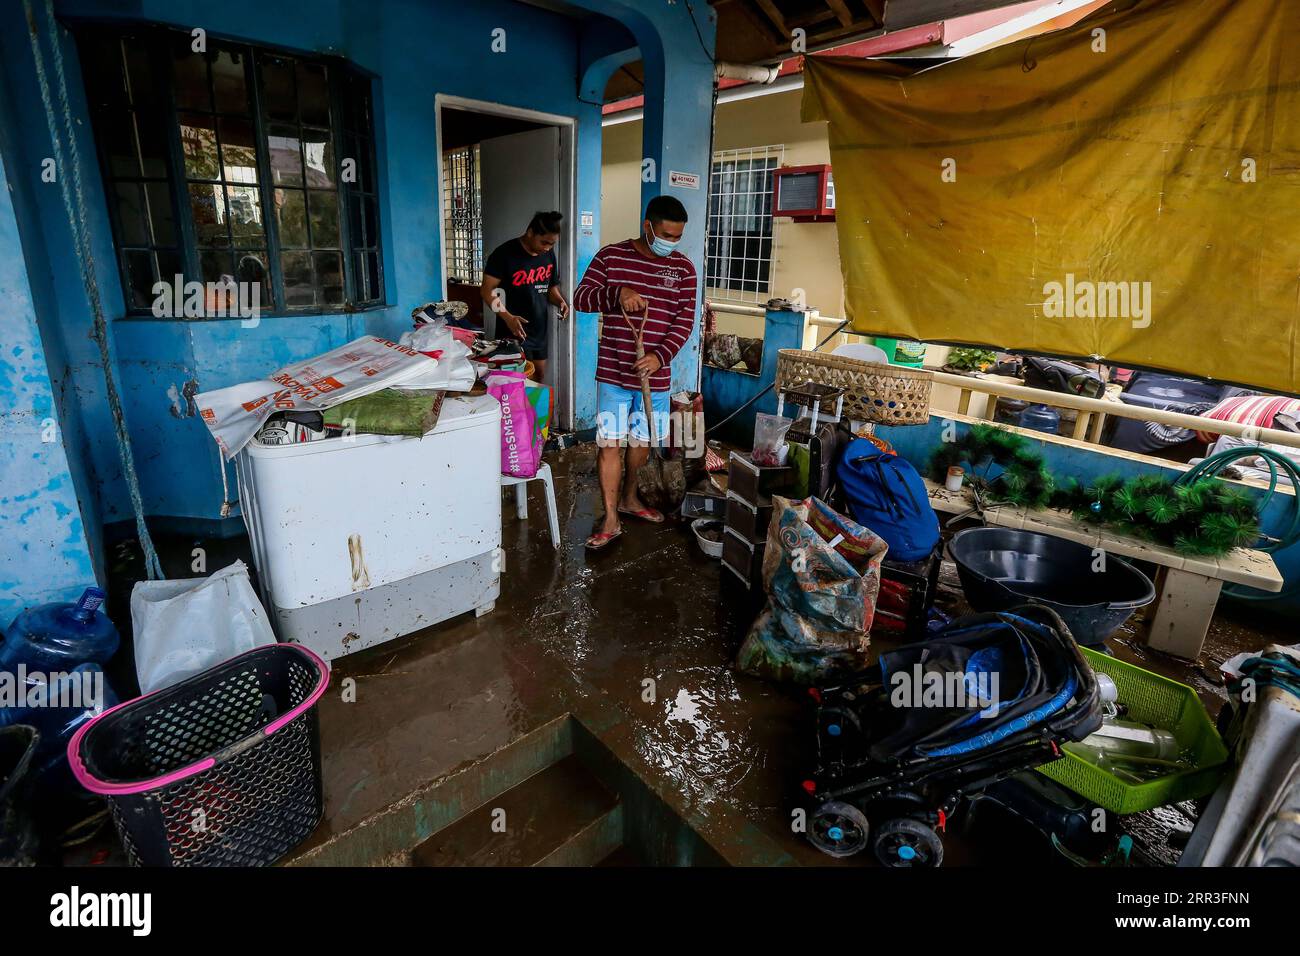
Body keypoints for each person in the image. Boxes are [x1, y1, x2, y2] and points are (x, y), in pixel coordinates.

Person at [572, 195, 697, 550]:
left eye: (677, 237)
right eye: (666, 235)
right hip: (613, 376)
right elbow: (582, 298)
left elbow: (684, 321)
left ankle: (630, 498)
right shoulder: (611, 257)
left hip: (655, 382)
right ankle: (610, 517)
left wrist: (660, 356)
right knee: (610, 443)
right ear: (647, 226)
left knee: (641, 444)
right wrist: (617, 293)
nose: (671, 243)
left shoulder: (684, 270)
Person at [480, 211, 570, 383]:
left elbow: (550, 287)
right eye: (544, 242)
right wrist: (508, 317)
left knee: (538, 378)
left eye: (552, 244)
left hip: (539, 331)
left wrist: (560, 301)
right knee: (517, 382)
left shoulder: (548, 255)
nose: (547, 248)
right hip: (513, 331)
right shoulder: (504, 254)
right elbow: (486, 290)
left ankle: (532, 411)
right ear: (530, 232)